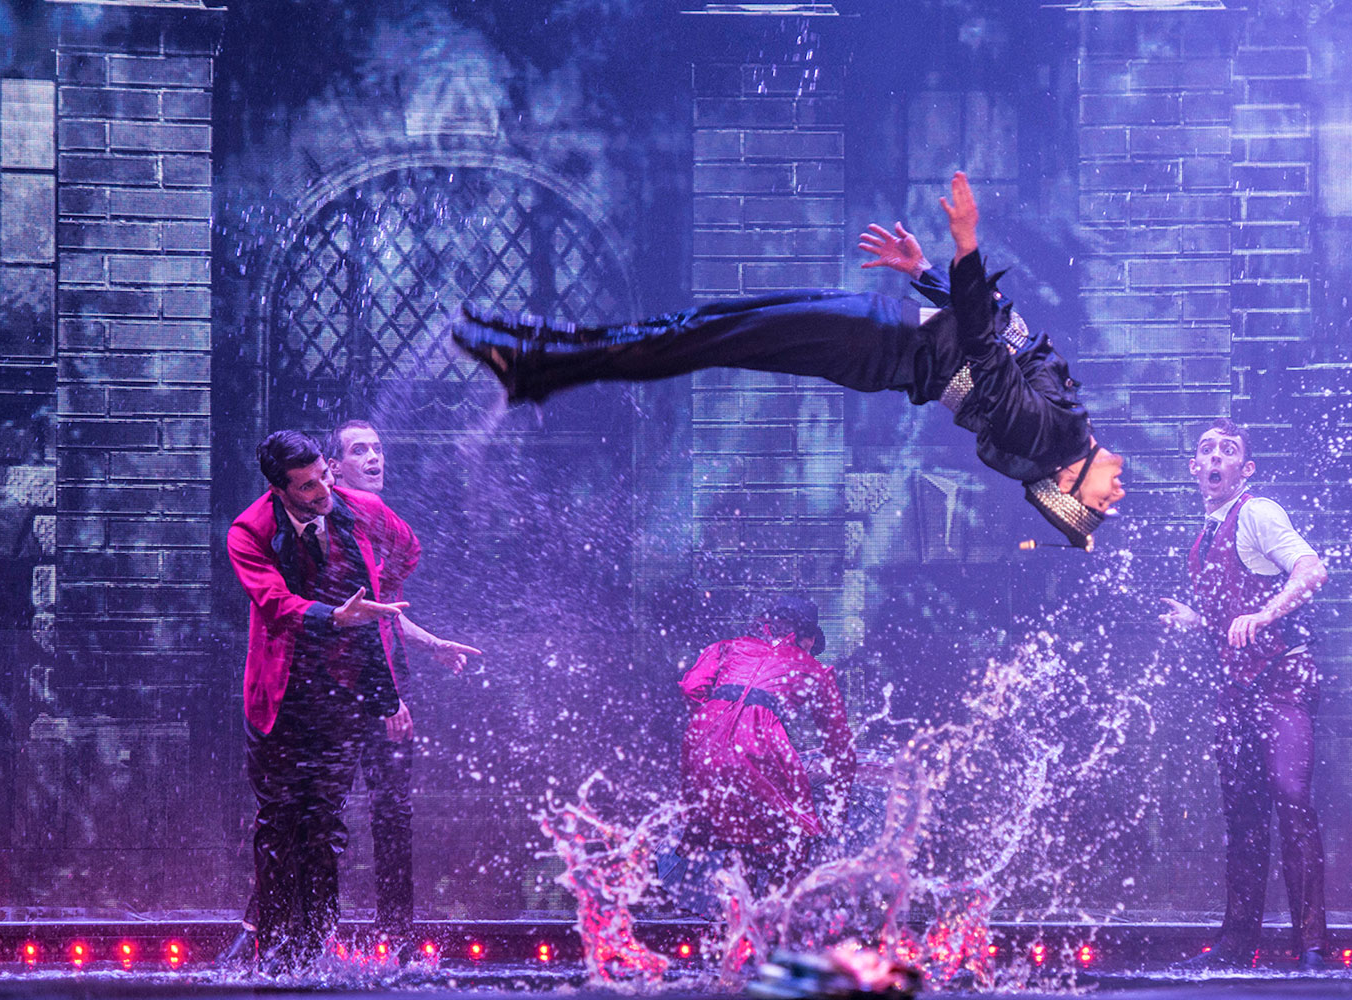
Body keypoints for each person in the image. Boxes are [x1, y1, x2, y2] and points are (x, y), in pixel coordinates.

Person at [449, 172, 1125, 550]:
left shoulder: (1049, 436)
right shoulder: (1061, 422)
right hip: (888, 335)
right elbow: (1003, 333)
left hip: (879, 344)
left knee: (707, 336)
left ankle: (538, 365)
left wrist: (966, 245)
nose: (1114, 498)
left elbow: (981, 344)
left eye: (1094, 506)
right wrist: (925, 271)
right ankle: (540, 354)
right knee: (708, 326)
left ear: (1068, 478)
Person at [221, 423, 479, 965]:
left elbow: (407, 550)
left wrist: (385, 601)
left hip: (342, 693)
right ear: (280, 488)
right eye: (308, 487)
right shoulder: (250, 530)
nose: (321, 493)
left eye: (323, 479)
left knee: (324, 824)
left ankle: (314, 950)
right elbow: (273, 603)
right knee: (280, 820)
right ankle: (273, 952)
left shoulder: (357, 510)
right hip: (284, 694)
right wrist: (333, 615)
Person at [1159, 419, 1329, 970]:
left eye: (1227, 451)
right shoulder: (1200, 540)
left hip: (1282, 680)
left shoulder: (1258, 511)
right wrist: (1199, 620)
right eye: (1205, 450)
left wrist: (1264, 612)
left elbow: (1311, 570)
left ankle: (1313, 947)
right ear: (1193, 467)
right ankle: (1238, 944)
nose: (1214, 458)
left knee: (1291, 802)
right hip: (1235, 689)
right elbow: (1231, 622)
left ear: (1244, 468)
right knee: (1243, 817)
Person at [675, 595, 855, 895]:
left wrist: (717, 723)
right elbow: (839, 744)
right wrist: (839, 803)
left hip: (701, 740)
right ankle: (770, 915)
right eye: (811, 641)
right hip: (760, 743)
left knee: (736, 832)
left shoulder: (726, 647)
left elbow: (692, 687)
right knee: (796, 833)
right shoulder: (814, 670)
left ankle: (733, 916)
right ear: (805, 637)